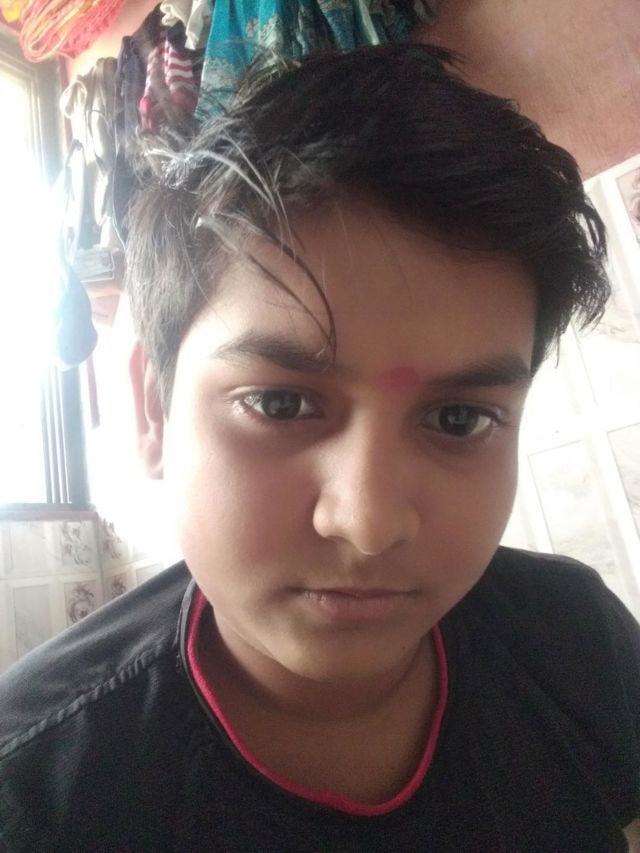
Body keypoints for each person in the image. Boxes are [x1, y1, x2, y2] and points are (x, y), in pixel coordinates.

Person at [1, 43, 639, 853]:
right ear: (154, 407)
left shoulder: (581, 642)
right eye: (280, 403)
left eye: (459, 419)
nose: (368, 523)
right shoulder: (33, 799)